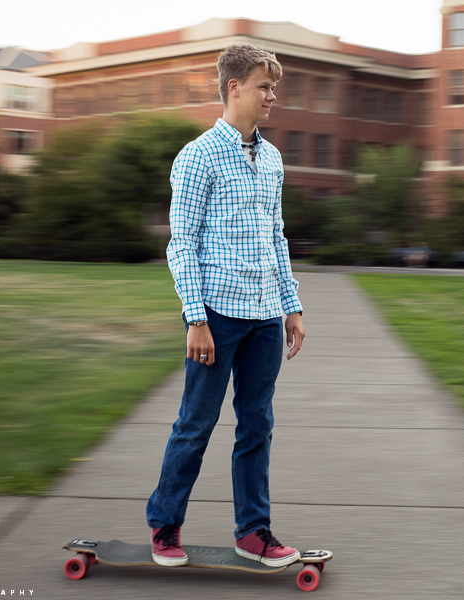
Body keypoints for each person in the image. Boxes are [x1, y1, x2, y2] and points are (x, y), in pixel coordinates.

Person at [145, 44, 305, 569]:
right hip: (214, 317)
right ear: (234, 87)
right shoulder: (197, 157)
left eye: (273, 88)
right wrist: (195, 317)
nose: (271, 97)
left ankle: (253, 532)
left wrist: (291, 306)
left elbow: (276, 238)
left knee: (256, 425)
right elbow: (181, 244)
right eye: (263, 86)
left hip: (263, 318)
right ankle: (165, 524)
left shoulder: (274, 159)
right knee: (196, 423)